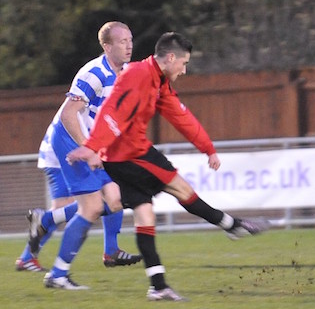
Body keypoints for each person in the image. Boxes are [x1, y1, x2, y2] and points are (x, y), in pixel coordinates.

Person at [67, 32, 269, 301]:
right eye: (183, 64)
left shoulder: (157, 81)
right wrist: (93, 146)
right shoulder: (138, 75)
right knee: (181, 188)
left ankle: (158, 286)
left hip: (120, 157)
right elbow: (111, 111)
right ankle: (232, 225)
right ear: (170, 58)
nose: (184, 70)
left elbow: (181, 116)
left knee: (145, 217)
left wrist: (207, 148)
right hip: (131, 154)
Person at [18, 22, 142, 289]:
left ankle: (47, 221)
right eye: (122, 41)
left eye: (130, 40)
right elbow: (67, 115)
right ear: (107, 47)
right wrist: (90, 148)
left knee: (116, 198)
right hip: (68, 140)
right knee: (93, 206)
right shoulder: (94, 73)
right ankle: (56, 274)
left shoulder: (126, 73)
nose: (129, 45)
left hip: (92, 143)